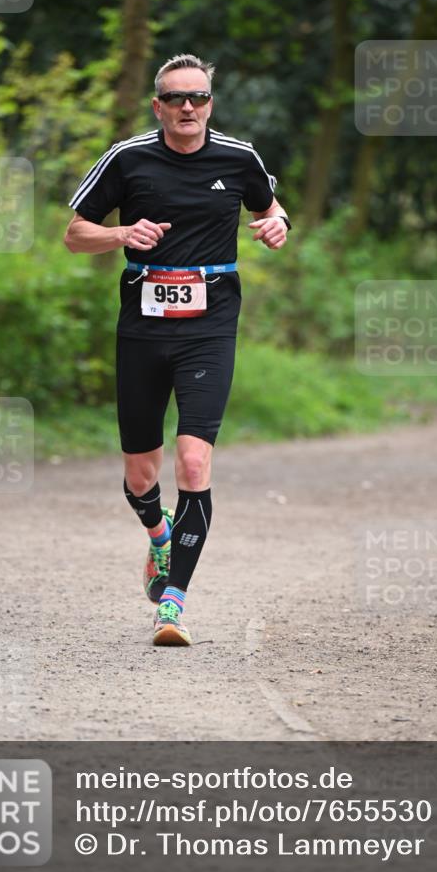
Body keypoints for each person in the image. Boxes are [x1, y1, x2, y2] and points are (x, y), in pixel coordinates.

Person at [64, 53, 290, 647]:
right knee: (142, 475)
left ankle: (172, 605)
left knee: (193, 461)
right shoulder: (128, 157)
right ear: (157, 104)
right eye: (175, 98)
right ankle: (159, 537)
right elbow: (74, 235)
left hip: (210, 325)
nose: (188, 107)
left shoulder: (239, 159)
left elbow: (272, 211)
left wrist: (276, 227)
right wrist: (120, 234)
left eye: (198, 98)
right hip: (142, 327)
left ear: (211, 103)